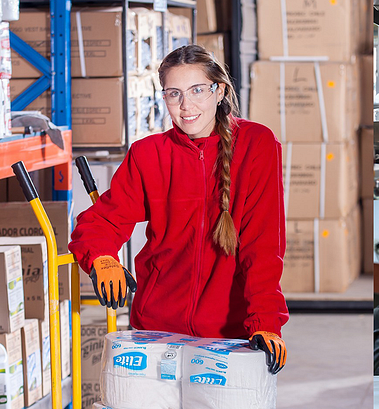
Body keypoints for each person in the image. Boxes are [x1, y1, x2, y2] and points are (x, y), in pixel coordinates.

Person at [68, 45, 289, 374]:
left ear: (220, 91)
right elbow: (102, 220)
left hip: (229, 337)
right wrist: (101, 257)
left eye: (197, 90)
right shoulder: (148, 154)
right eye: (174, 94)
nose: (186, 106)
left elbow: (263, 243)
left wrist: (265, 321)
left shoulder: (256, 144)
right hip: (155, 332)